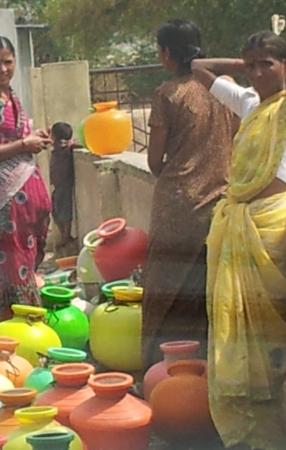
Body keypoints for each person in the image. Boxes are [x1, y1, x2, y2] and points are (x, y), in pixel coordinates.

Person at [191, 31, 286, 448]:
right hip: (240, 229)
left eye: (269, 63)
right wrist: (243, 63)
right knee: (253, 343)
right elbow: (198, 69)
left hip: (276, 231)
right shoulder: (250, 104)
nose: (259, 72)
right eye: (254, 65)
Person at [141, 19, 235, 369]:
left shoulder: (168, 93)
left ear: (167, 53)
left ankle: (158, 368)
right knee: (209, 292)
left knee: (165, 287)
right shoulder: (226, 88)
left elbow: (153, 160)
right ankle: (207, 370)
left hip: (177, 205)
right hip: (222, 202)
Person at [0, 36, 52, 328]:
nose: (3, 69)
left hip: (25, 201)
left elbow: (15, 138)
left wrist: (33, 138)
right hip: (2, 207)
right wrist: (23, 145)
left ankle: (28, 329)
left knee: (23, 268)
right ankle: (15, 333)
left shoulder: (10, 96)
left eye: (8, 61)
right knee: (9, 272)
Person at [48, 122, 80, 252]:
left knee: (64, 212)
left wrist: (72, 143)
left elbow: (76, 146)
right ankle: (65, 235)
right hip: (58, 185)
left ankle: (65, 237)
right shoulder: (56, 145)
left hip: (64, 185)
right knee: (55, 212)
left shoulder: (65, 146)